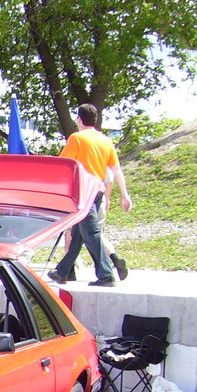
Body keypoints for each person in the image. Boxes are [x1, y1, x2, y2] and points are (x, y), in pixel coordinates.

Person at [47, 103, 133, 288]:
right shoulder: (106, 141)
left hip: (82, 191)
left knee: (91, 233)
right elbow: (116, 170)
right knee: (78, 233)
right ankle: (62, 272)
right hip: (98, 191)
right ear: (95, 120)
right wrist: (124, 195)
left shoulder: (77, 138)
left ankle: (106, 274)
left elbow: (63, 165)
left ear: (79, 119)